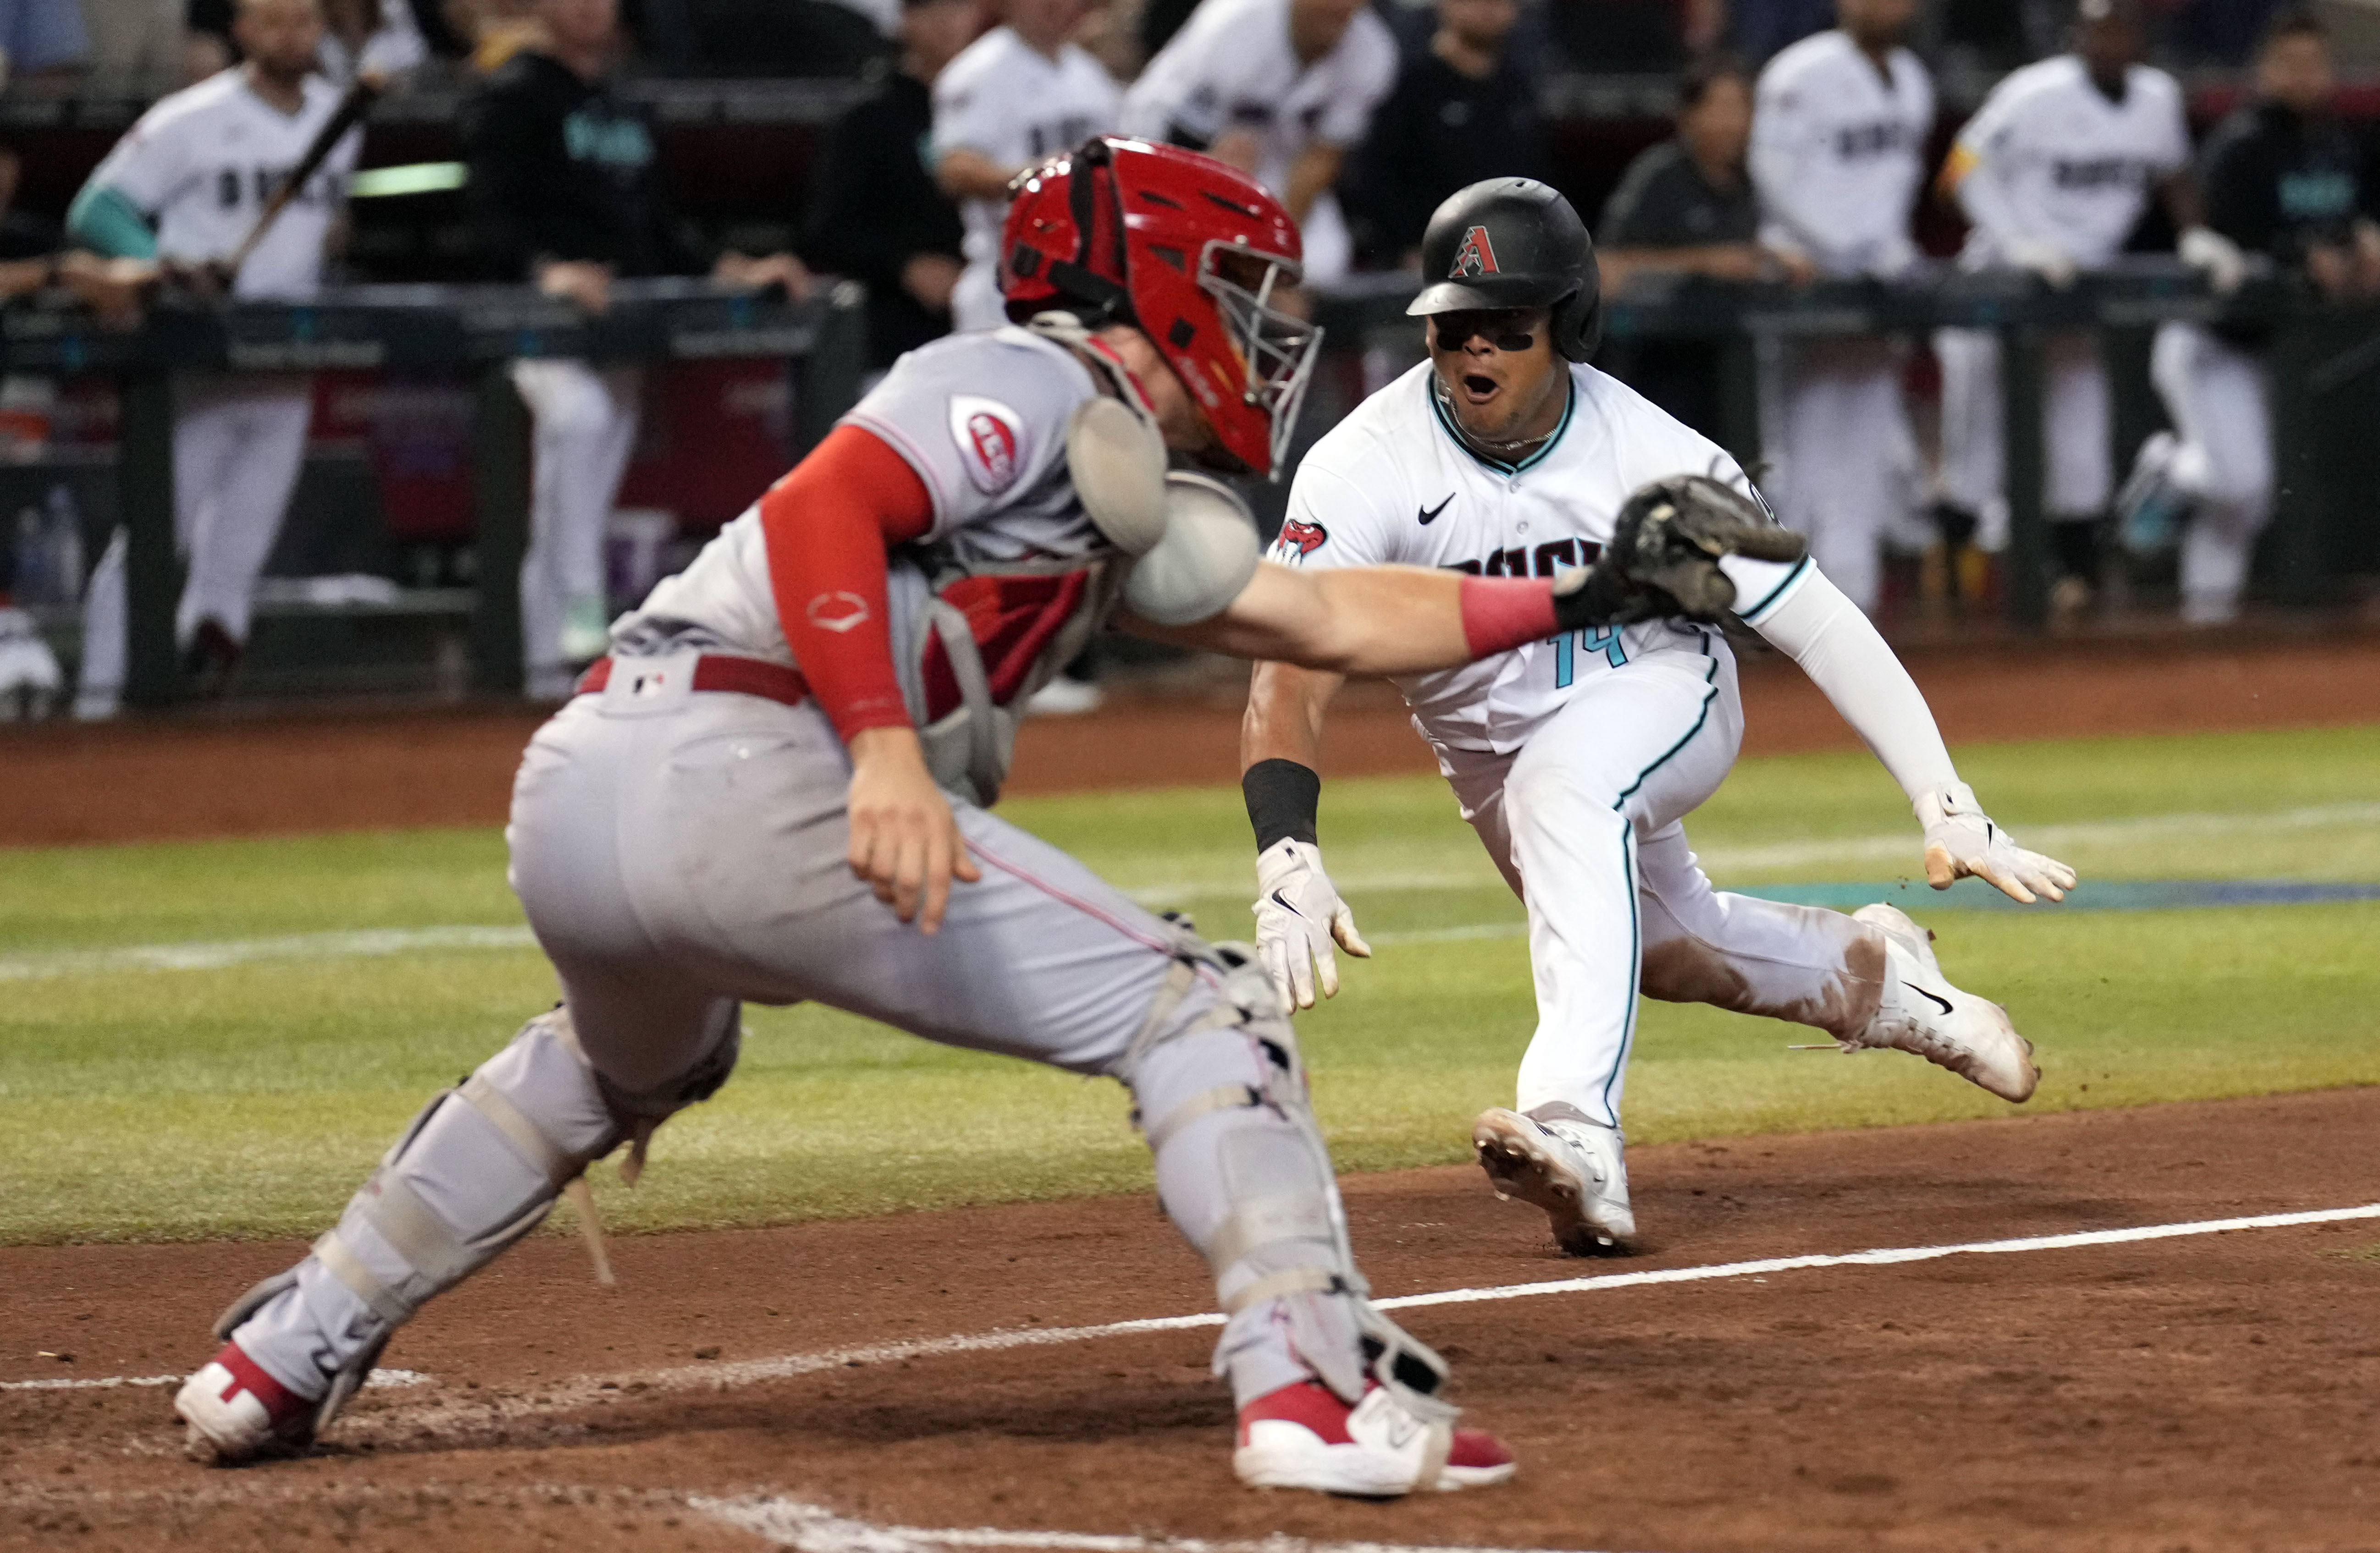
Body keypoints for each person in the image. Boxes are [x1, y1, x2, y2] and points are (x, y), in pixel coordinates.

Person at [166, 136, 1793, 1494]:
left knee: (628, 1055)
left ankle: (279, 1352)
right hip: (759, 767)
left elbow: (1339, 623)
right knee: (1204, 1002)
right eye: (1236, 296)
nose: (1262, 331)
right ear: (1146, 287)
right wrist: (880, 750)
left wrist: (1589, 585)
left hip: (587, 794)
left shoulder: (1119, 475)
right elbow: (826, 505)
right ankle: (1302, 1390)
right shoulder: (1014, 371)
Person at [1237, 178, 2075, 1258]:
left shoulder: (1655, 457)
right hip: (1486, 755)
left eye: (1508, 329)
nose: (1471, 353)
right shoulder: (1366, 462)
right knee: (1662, 948)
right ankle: (1886, 984)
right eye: (1451, 328)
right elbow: (1289, 665)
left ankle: (1573, 1124)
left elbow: (1818, 624)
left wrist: (1944, 799)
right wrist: (1285, 853)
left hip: (1659, 686)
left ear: (1569, 329)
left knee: (1565, 788)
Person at [461, 0, 809, 697]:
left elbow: (655, 224)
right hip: (540, 321)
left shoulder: (623, 101)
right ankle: (569, 633)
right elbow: (487, 211)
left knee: (585, 486)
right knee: (577, 424)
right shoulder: (514, 95)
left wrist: (723, 268)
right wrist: (544, 269)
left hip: (621, 323)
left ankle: (550, 656)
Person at [64, 0, 362, 718]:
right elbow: (97, 210)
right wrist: (164, 264)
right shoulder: (189, 118)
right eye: (272, 21)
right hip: (196, 352)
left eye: (303, 21)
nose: (290, 35)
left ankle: (190, 715)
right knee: (153, 540)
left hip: (285, 361)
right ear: (242, 31)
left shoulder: (340, 113)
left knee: (237, 557)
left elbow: (329, 219)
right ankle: (101, 702)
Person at [1932, 0, 2216, 616]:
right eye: (2097, 28)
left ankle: (2074, 601)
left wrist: (2191, 232)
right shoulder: (2033, 94)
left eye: (2120, 28)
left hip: (2077, 292)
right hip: (1997, 283)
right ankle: (1950, 611)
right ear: (2075, 37)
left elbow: (2173, 172)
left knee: (2080, 458)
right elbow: (1958, 170)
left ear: (2137, 38)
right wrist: (2016, 244)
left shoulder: (2155, 97)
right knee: (1973, 458)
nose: (2110, 40)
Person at [2118, 6, 2376, 625]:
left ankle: (2207, 621)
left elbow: (2355, 218)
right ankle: (2167, 469)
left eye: (2313, 63)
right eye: (2288, 64)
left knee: (2247, 501)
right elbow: (2218, 231)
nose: (2302, 77)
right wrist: (2294, 256)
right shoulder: (2239, 145)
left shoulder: (2338, 142)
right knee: (2236, 485)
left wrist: (2364, 240)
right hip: (2210, 341)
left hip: (2272, 351)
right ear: (2264, 70)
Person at [1749, 0, 1933, 615]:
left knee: (1865, 448)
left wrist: (1888, 251)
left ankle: (1849, 605)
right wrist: (1848, 252)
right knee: (1793, 449)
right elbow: (1772, 177)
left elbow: (1895, 185)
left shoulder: (1912, 78)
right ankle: (1777, 606)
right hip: (1804, 278)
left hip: (1874, 283)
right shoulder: (1798, 73)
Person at [1597, 50, 1808, 441]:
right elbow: (1608, 266)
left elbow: (1749, 255)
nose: (1733, 123)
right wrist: (1704, 262)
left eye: (1742, 108)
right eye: (1720, 108)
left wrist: (1774, 260)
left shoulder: (1752, 183)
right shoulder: (1659, 176)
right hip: (1657, 373)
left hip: (1731, 371)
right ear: (1688, 116)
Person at [1121, 0, 1398, 287]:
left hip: (1271, 158)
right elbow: (1189, 138)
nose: (1339, 8)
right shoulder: (1238, 22)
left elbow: (1320, 160)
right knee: (1192, 249)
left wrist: (1278, 250)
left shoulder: (1372, 51)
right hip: (1166, 149)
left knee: (1321, 261)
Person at [806, 0, 981, 374]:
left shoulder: (989, 107)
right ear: (905, 21)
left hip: (986, 322)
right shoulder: (871, 118)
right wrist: (905, 266)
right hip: (898, 339)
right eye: (933, 12)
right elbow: (829, 231)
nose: (950, 24)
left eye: (960, 8)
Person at [929, 0, 1119, 334]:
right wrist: (1037, 178)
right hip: (1008, 279)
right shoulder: (980, 70)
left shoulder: (1089, 73)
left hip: (1086, 276)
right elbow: (953, 170)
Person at [1345, 0, 1547, 270]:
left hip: (1509, 257)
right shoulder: (1408, 85)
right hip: (1426, 261)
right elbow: (1376, 179)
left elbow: (1536, 178)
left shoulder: (1519, 90)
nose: (1490, 9)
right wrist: (1405, 249)